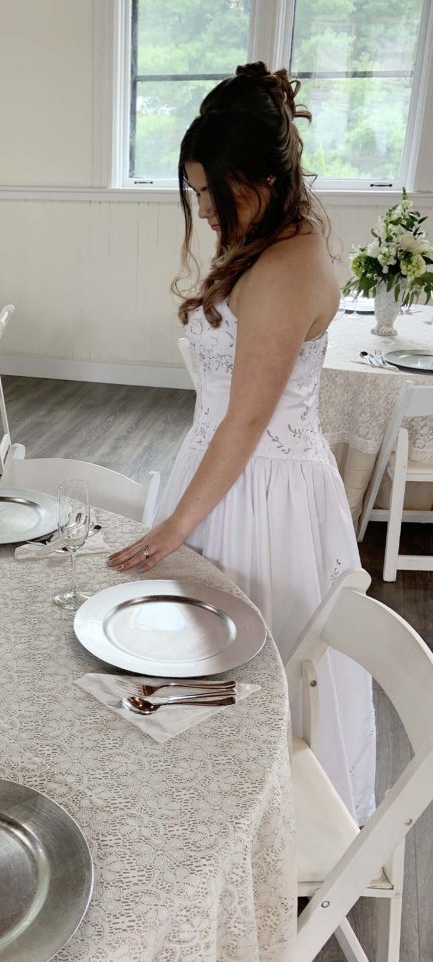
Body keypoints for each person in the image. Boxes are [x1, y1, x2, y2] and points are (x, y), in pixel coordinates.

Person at [107, 61, 375, 823]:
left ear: (258, 178)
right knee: (204, 646)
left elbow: (248, 421)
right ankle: (205, 802)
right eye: (193, 192)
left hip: (266, 490)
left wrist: (174, 527)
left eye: (209, 191)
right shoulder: (278, 235)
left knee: (253, 656)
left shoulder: (289, 267)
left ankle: (252, 818)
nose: (202, 208)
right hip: (227, 468)